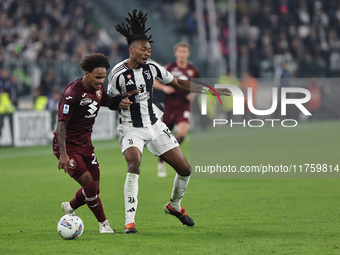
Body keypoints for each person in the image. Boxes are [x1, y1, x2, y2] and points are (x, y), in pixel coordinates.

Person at [107, 10, 225, 234]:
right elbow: (108, 99)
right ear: (131, 49)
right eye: (143, 49)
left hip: (155, 125)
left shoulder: (153, 67)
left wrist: (208, 88)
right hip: (131, 128)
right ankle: (129, 222)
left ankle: (174, 206)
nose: (147, 53)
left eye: (149, 50)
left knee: (185, 169)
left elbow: (179, 83)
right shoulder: (118, 74)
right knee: (134, 164)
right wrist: (117, 103)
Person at [52, 53, 139, 234]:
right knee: (89, 186)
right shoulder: (72, 94)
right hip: (68, 146)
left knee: (94, 189)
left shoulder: (98, 89)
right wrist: (63, 154)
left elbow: (107, 101)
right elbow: (61, 125)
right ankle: (103, 224)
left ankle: (70, 206)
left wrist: (122, 99)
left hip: (86, 144)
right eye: (97, 77)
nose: (101, 81)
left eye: (103, 77)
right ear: (86, 72)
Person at [153, 42, 199, 177]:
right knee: (164, 136)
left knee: (182, 133)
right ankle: (162, 160)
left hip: (184, 105)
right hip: (170, 106)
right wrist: (164, 88)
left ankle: (172, 157)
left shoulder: (193, 70)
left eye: (184, 52)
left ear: (188, 54)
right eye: (180, 51)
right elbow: (154, 81)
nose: (182, 54)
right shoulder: (169, 68)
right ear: (176, 53)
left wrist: (193, 94)